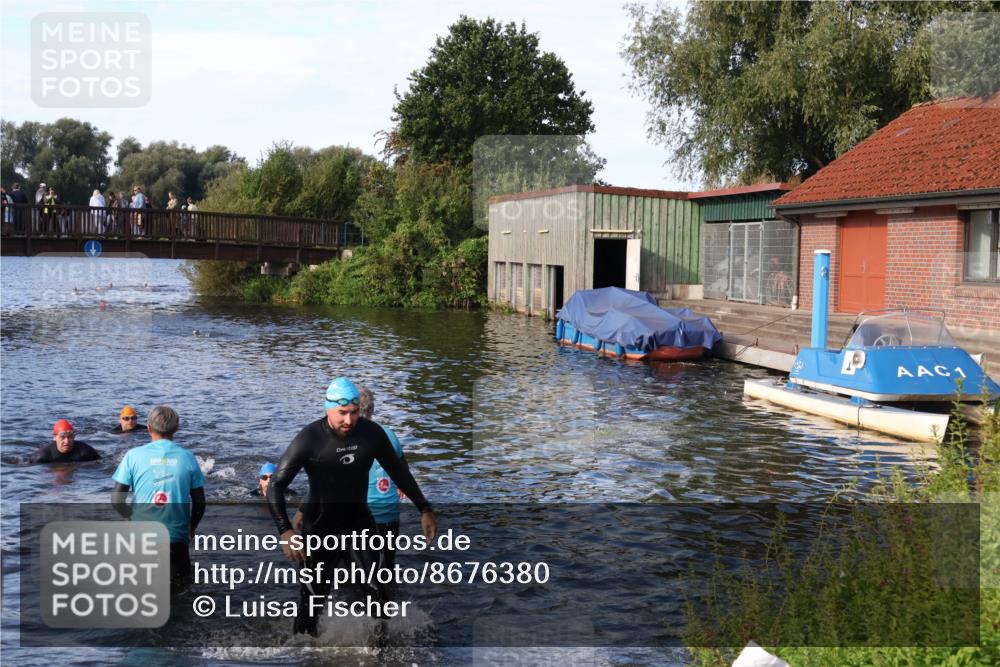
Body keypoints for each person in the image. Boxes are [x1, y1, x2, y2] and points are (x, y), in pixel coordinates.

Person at [267, 377, 436, 636]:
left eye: (354, 412)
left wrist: (424, 509)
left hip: (360, 524)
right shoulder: (310, 438)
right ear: (328, 409)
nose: (349, 420)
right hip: (321, 529)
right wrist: (286, 531)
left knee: (378, 593)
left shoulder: (371, 433)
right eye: (342, 413)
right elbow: (277, 485)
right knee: (312, 603)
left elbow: (399, 472)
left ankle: (379, 655)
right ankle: (301, 653)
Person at [111, 405, 205, 587]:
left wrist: (131, 517)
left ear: (148, 428)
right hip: (176, 539)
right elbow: (200, 503)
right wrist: (192, 527)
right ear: (176, 429)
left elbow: (116, 500)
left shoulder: (132, 456)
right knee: (181, 594)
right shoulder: (188, 458)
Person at [359, 386, 408, 573]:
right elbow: (403, 464)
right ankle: (390, 598)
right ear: (371, 410)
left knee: (360, 571)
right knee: (387, 566)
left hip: (364, 516)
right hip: (390, 514)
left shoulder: (348, 441)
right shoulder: (389, 435)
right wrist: (402, 485)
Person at [33, 419, 101, 463]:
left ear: (74, 437)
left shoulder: (86, 452)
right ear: (55, 437)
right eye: (62, 437)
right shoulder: (42, 456)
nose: (67, 441)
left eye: (70, 437)